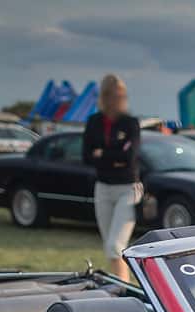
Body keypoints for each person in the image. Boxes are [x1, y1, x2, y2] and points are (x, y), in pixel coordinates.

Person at [82, 73, 142, 282]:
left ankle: (125, 290)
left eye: (122, 95)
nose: (119, 99)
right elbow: (87, 156)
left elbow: (129, 157)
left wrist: (103, 154)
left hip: (127, 188)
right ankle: (122, 286)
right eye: (114, 94)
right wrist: (113, 156)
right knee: (111, 246)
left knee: (115, 246)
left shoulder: (130, 123)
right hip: (103, 187)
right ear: (106, 96)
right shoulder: (94, 122)